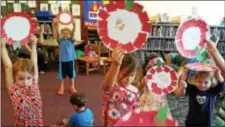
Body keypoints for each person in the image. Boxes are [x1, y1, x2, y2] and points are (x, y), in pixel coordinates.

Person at [1, 35, 43, 126]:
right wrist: (2, 47)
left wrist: (34, 44)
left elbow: (34, 62)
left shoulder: (34, 83)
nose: (25, 81)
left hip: (36, 123)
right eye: (21, 79)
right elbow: (8, 67)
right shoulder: (13, 88)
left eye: (28, 78)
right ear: (15, 77)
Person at [101, 47, 142, 126]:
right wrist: (116, 64)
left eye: (132, 75)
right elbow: (106, 87)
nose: (129, 79)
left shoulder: (135, 91)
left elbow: (136, 108)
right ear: (117, 71)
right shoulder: (113, 87)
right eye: (124, 75)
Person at [139, 53, 172, 117]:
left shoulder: (162, 79)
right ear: (145, 68)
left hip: (160, 105)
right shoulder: (143, 78)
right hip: (145, 105)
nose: (153, 70)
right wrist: (142, 84)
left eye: (156, 68)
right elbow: (138, 91)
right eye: (149, 68)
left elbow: (175, 90)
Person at [55, 21, 83, 95]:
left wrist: (74, 25)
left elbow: (73, 33)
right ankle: (61, 87)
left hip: (70, 60)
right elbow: (57, 33)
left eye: (67, 33)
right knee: (62, 75)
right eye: (63, 33)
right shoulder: (60, 41)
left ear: (69, 34)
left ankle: (72, 87)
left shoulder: (71, 40)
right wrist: (56, 25)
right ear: (61, 34)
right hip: (62, 61)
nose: (65, 34)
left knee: (71, 74)